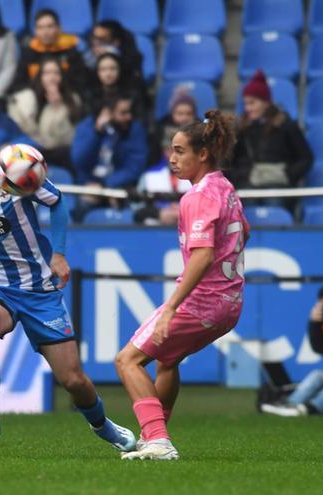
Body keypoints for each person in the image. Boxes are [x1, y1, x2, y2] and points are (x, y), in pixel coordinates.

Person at [0, 123, 136, 451]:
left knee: (73, 380)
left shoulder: (13, 174)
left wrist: (59, 254)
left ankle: (103, 426)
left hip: (39, 287)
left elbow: (57, 201)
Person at [115, 110, 250, 461]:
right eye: (170, 151)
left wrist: (172, 307)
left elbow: (203, 256)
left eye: (179, 151)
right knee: (167, 360)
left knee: (128, 361)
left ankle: (158, 439)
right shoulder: (224, 186)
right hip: (231, 303)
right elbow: (244, 232)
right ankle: (154, 436)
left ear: (202, 154)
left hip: (204, 301)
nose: (171, 159)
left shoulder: (198, 196)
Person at [261, 286, 323, 417]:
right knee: (318, 375)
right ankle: (290, 405)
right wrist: (314, 323)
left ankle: (312, 408)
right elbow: (318, 348)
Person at [230, 70, 313, 195]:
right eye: (246, 104)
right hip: (247, 185)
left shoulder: (287, 125)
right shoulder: (242, 128)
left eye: (252, 103)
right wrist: (241, 176)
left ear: (266, 102)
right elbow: (230, 160)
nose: (248, 108)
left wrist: (287, 176)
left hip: (279, 187)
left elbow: (305, 158)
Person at [71, 93, 148, 220]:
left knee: (134, 210)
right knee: (82, 205)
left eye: (129, 112)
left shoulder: (135, 129)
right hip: (89, 187)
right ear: (108, 113)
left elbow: (135, 166)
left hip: (121, 187)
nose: (129, 117)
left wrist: (105, 185)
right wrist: (96, 133)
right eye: (123, 113)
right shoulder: (87, 127)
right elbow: (79, 161)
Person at [133, 88, 196, 225]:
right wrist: (159, 213)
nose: (174, 156)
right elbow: (136, 209)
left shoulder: (201, 178)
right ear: (164, 151)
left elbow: (215, 209)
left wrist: (183, 212)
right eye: (170, 150)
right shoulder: (149, 176)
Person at [8, 57, 83, 170]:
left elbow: (66, 138)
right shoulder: (23, 100)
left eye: (56, 73)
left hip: (60, 154)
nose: (52, 78)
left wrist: (57, 108)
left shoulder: (72, 100)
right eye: (47, 73)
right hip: (28, 152)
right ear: (39, 76)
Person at [13, 8, 87, 92]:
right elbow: (18, 83)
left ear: (59, 28)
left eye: (50, 26)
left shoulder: (71, 51)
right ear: (35, 31)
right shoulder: (28, 52)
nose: (45, 32)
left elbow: (81, 82)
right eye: (40, 27)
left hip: (64, 97)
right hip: (36, 96)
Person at [84, 52, 147, 122]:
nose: (108, 74)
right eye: (103, 69)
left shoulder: (132, 94)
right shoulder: (91, 96)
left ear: (120, 70)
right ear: (97, 72)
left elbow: (141, 120)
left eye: (113, 68)